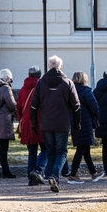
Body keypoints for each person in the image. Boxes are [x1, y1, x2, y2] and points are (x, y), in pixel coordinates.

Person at [29, 56, 80, 192]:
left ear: (49, 67)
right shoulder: (67, 83)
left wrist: (34, 124)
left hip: (46, 124)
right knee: (62, 152)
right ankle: (54, 176)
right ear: (61, 67)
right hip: (62, 123)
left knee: (51, 152)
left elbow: (33, 106)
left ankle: (51, 177)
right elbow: (76, 106)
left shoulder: (41, 83)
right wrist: (77, 124)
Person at [68, 72, 102, 181]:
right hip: (85, 123)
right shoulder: (86, 91)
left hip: (74, 122)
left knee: (85, 149)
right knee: (81, 148)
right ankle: (73, 175)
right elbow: (94, 108)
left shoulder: (70, 91)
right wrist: (96, 117)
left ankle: (94, 173)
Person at [17, 67, 46, 185]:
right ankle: (37, 169)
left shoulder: (23, 88)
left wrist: (21, 120)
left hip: (26, 122)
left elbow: (18, 106)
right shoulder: (41, 87)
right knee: (46, 148)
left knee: (32, 150)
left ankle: (31, 177)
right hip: (39, 120)